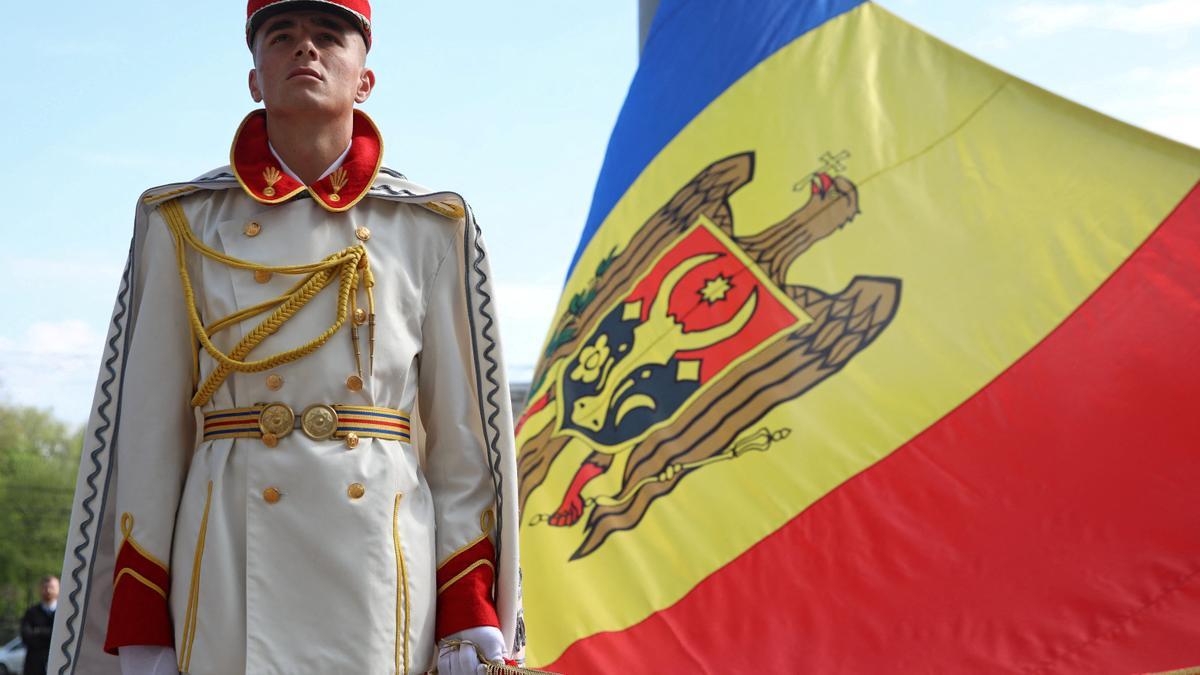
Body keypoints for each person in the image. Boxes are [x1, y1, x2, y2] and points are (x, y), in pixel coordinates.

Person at [48, 1, 524, 673]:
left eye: (329, 36)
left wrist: (468, 611)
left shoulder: (428, 227)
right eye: (283, 36)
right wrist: (142, 624)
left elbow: (464, 448)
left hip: (380, 571)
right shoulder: (182, 223)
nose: (307, 49)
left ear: (365, 78)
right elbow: (148, 440)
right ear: (254, 76)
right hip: (225, 573)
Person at [19, 576, 57, 675]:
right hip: (34, 666)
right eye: (45, 587)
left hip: (57, 663)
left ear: (59, 589)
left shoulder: (63, 614)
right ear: (40, 589)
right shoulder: (31, 612)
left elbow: (61, 637)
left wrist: (38, 631)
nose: (48, 590)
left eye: (52, 587)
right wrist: (50, 633)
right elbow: (26, 637)